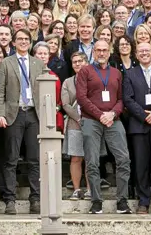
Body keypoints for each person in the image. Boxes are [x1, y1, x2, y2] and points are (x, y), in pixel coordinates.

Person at [77, 38, 133, 215]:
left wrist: (113, 114)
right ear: (93, 52)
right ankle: (96, 201)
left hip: (113, 119)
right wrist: (100, 115)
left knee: (123, 159)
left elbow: (121, 99)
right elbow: (81, 98)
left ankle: (122, 200)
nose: (101, 53)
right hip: (92, 120)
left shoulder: (116, 72)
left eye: (104, 50)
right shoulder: (85, 71)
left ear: (109, 53)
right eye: (98, 50)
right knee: (92, 162)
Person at [0, 28, 44, 215]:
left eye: (26, 39)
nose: (23, 42)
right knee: (11, 159)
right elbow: (0, 93)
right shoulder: (6, 63)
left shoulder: (38, 63)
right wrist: (0, 114)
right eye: (20, 39)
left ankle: (35, 199)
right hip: (13, 114)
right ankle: (10, 200)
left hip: (34, 114)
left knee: (34, 159)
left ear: (30, 42)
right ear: (13, 43)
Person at [122, 40, 151, 214]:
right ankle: (143, 201)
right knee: (140, 165)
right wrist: (144, 115)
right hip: (138, 126)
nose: (144, 53)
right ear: (136, 54)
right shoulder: (130, 73)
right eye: (140, 51)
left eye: (147, 50)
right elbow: (127, 99)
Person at [61, 51, 90, 199]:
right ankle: (77, 189)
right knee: (76, 158)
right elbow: (65, 104)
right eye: (75, 62)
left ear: (86, 62)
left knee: (91, 157)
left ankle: (91, 189)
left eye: (80, 61)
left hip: (92, 122)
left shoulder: (93, 79)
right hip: (74, 123)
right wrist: (79, 119)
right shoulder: (67, 82)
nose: (77, 64)